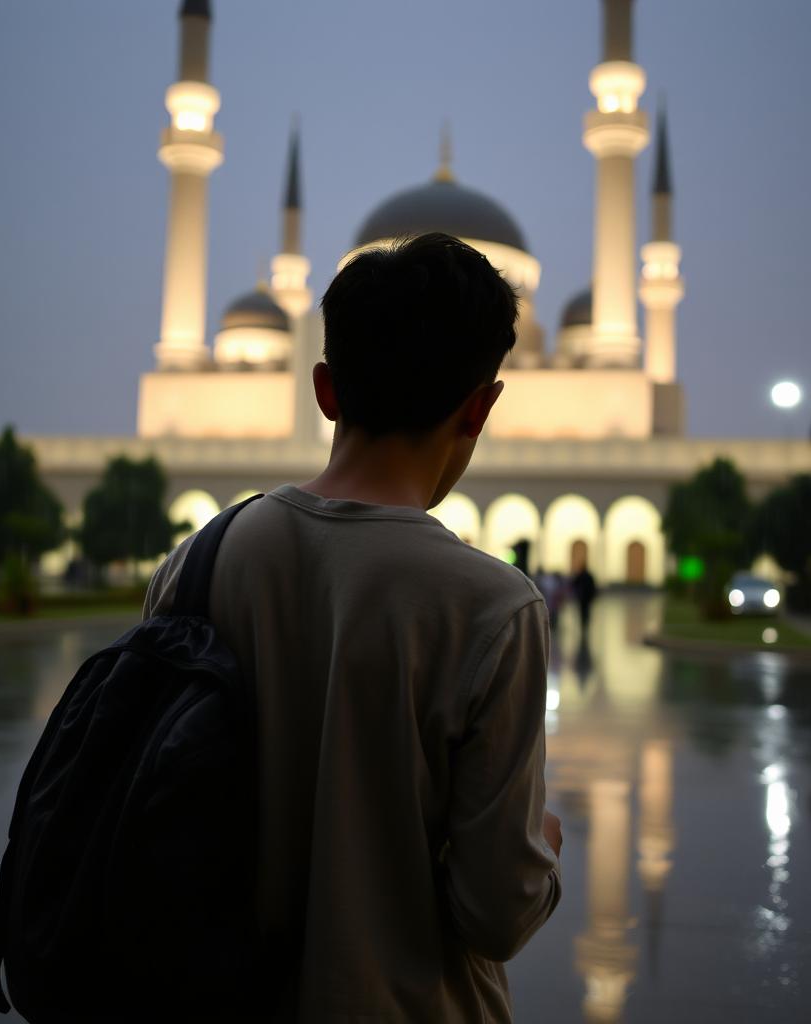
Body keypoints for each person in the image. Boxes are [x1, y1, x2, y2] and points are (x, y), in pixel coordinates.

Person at [143, 232, 562, 1022]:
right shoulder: (493, 608)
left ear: (326, 390)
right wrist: (542, 844)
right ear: (481, 406)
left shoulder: (195, 564)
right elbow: (496, 914)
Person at [572, 558, 598, 635]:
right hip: (586, 597)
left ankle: (584, 623)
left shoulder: (583, 575)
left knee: (583, 610)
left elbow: (575, 584)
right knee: (585, 610)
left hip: (583, 597)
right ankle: (585, 623)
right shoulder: (588, 575)